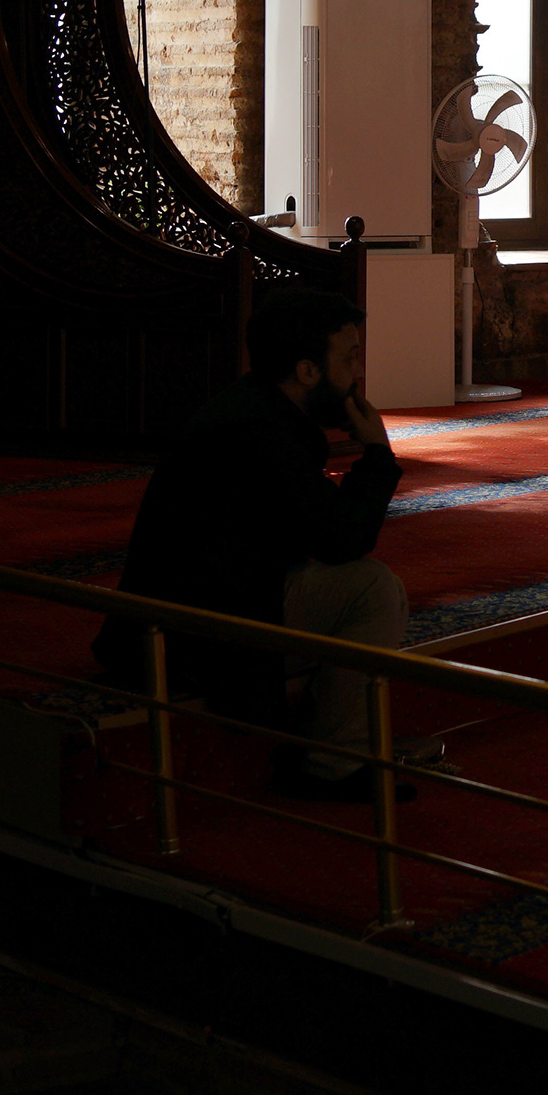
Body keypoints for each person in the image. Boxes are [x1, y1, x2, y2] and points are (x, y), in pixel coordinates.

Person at [96, 292, 415, 797]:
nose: (358, 373)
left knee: (372, 591)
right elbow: (342, 539)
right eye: (350, 358)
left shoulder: (257, 410)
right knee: (371, 590)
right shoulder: (259, 432)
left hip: (205, 606)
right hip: (191, 633)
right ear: (308, 370)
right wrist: (377, 453)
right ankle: (332, 765)